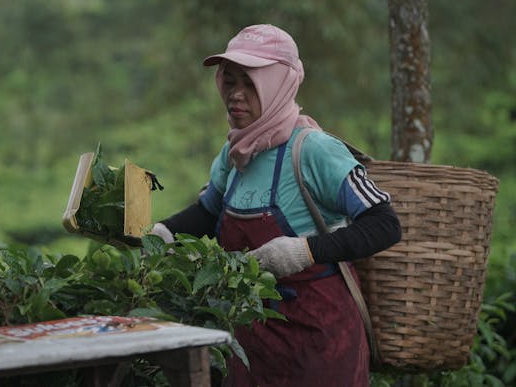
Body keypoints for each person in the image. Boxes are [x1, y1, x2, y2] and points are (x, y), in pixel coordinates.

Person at [151, 24, 401, 387]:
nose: (236, 95)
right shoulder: (235, 152)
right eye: (230, 82)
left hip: (320, 343)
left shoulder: (314, 150)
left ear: (278, 84)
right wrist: (163, 233)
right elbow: (208, 213)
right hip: (253, 345)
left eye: (249, 84)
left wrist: (303, 251)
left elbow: (385, 224)